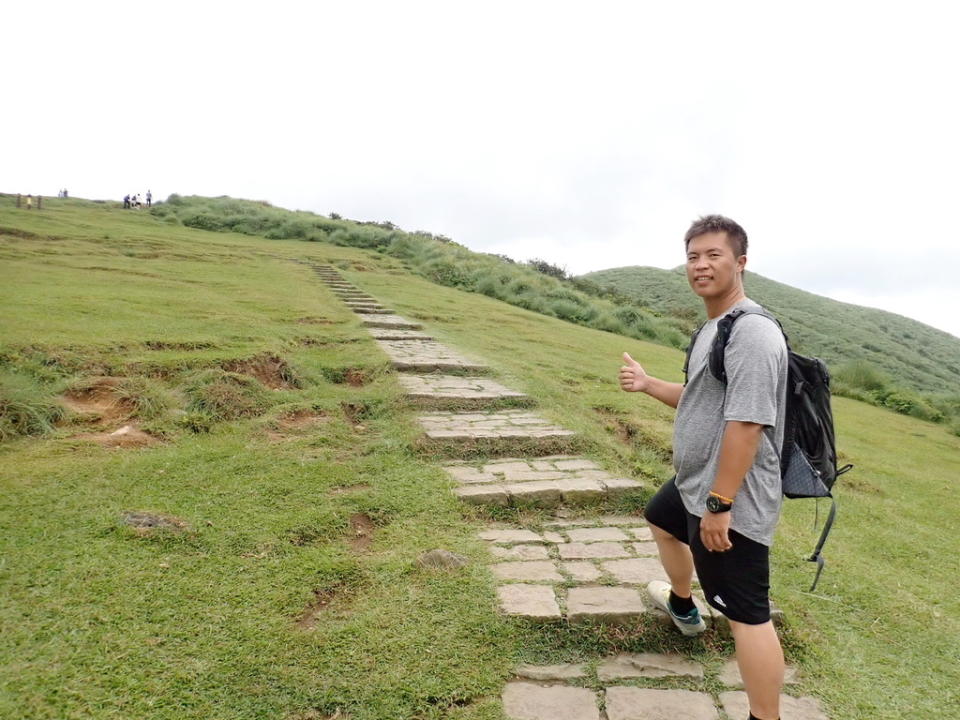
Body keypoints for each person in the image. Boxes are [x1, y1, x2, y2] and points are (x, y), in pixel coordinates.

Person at [619, 215, 788, 720]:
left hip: (731, 498)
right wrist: (649, 384)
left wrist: (720, 505)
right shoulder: (714, 328)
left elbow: (747, 425)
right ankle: (683, 607)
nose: (700, 265)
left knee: (747, 617)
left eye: (713, 255)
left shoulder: (752, 333)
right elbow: (698, 401)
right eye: (693, 256)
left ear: (740, 262)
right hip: (697, 486)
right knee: (659, 517)